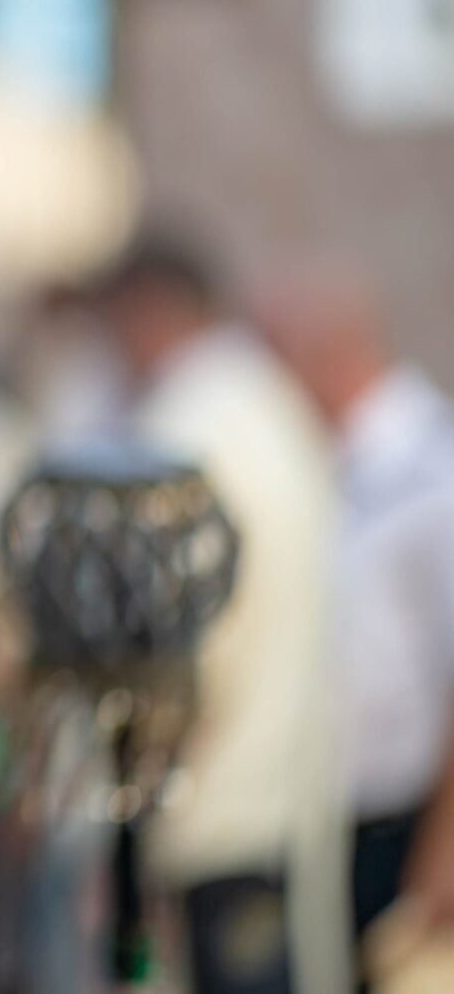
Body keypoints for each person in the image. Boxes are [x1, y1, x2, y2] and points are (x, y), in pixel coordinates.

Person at [91, 237, 349, 994]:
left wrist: (136, 802)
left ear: (143, 313)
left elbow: (180, 647)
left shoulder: (188, 427)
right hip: (277, 793)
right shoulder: (267, 404)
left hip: (211, 805)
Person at [253, 270, 454, 966]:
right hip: (326, 815)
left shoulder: (433, 470)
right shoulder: (324, 462)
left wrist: (442, 852)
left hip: (405, 824)